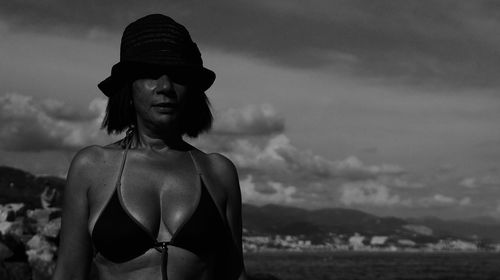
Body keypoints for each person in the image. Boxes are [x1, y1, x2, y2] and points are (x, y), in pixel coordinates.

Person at [52, 14, 247, 280]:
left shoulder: (218, 172)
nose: (165, 86)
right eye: (150, 73)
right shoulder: (92, 167)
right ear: (128, 88)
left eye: (177, 75)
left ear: (191, 89)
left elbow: (234, 275)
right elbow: (68, 274)